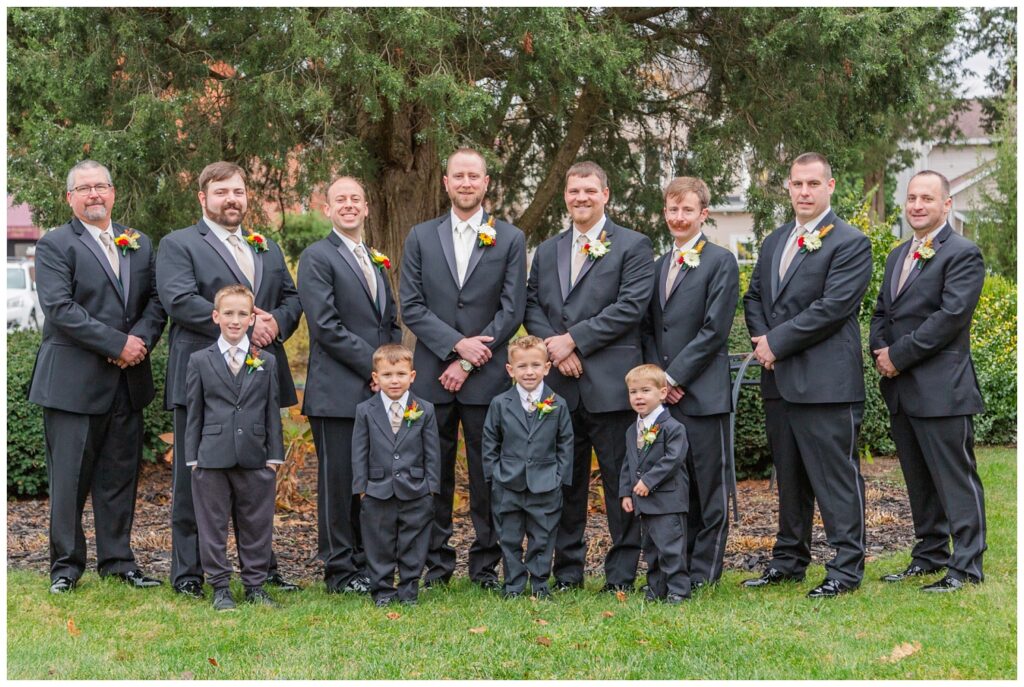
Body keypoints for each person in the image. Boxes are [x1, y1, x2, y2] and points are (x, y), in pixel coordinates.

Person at [156, 161, 303, 598]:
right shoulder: (179, 244)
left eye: (238, 191)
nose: (231, 199)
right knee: (195, 478)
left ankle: (263, 569)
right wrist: (239, 326)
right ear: (203, 198)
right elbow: (179, 299)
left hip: (258, 380)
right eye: (221, 192)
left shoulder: (266, 247)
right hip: (204, 380)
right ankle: (189, 574)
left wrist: (275, 323)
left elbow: (292, 299)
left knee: (257, 479)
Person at [29, 160, 166, 594]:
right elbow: (60, 308)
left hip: (128, 382)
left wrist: (138, 342)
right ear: (69, 198)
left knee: (119, 478)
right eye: (84, 188)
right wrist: (116, 344)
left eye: (101, 187)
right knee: (70, 481)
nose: (94, 195)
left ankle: (119, 562)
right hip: (73, 384)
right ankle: (66, 568)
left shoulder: (139, 244)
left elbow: (157, 302)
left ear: (113, 192)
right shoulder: (55, 245)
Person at [742, 152, 873, 598]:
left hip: (825, 385)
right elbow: (755, 295)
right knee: (790, 476)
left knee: (836, 479)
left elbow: (833, 309)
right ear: (788, 187)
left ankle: (846, 567)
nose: (804, 192)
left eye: (813, 184)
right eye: (797, 184)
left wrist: (775, 343)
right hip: (778, 381)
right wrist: (763, 342)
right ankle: (789, 560)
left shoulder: (850, 242)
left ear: (830, 187)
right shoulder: (775, 238)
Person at [524, 160, 655, 593]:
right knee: (566, 484)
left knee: (621, 482)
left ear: (605, 194)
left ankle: (621, 574)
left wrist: (574, 340)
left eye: (589, 190)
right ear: (566, 196)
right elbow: (531, 307)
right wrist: (556, 350)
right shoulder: (547, 250)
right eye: (573, 190)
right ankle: (567, 573)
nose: (581, 197)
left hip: (612, 387)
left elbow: (630, 307)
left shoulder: (633, 246)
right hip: (561, 388)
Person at [400, 148, 527, 590]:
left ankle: (486, 566)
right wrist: (455, 346)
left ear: (486, 183)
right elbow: (411, 306)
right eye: (459, 176)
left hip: (488, 379)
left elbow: (512, 310)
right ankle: (436, 565)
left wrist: (471, 360)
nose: (467, 183)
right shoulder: (420, 236)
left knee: (488, 475)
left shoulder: (509, 238)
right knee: (431, 475)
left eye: (474, 176)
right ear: (446, 182)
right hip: (433, 376)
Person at [869, 170, 987, 593]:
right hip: (901, 389)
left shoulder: (963, 253)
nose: (917, 205)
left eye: (927, 198)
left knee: (954, 477)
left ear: (946, 204)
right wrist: (879, 351)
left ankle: (967, 564)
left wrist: (897, 356)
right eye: (912, 197)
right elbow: (884, 311)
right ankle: (929, 554)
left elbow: (949, 319)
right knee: (918, 479)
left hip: (942, 388)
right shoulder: (898, 254)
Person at [297, 176, 402, 595]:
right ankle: (339, 570)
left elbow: (388, 320)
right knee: (339, 486)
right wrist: (376, 367)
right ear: (327, 209)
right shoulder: (318, 257)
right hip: (337, 393)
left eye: (356, 198)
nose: (348, 205)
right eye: (340, 199)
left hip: (375, 390)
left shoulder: (374, 258)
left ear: (366, 207)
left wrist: (392, 369)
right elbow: (325, 326)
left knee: (368, 482)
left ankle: (365, 563)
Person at [642, 176, 739, 590]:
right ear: (665, 213)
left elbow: (714, 330)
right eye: (672, 210)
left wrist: (674, 377)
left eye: (687, 210)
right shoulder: (656, 266)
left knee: (707, 486)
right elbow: (648, 327)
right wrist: (657, 382)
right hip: (666, 399)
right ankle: (674, 565)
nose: (679, 218)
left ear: (704, 214)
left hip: (702, 395)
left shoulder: (720, 261)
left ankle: (705, 571)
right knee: (673, 485)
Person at [184, 285, 283, 611]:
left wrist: (273, 456)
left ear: (253, 318)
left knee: (257, 523)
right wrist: (193, 459)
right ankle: (221, 587)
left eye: (243, 314)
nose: (235, 320)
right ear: (216, 317)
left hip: (255, 456)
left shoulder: (265, 362)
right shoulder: (199, 360)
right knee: (212, 526)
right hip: (211, 457)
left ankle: (255, 584)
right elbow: (194, 412)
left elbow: (272, 411)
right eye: (229, 313)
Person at [482, 335, 574, 599]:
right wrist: (495, 475)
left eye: (535, 365)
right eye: (522, 366)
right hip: (508, 483)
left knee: (543, 537)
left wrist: (559, 477)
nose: (529, 371)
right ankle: (513, 584)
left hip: (546, 483)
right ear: (510, 370)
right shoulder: (500, 403)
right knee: (509, 537)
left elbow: (565, 442)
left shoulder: (558, 403)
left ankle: (540, 583)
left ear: (547, 367)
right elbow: (490, 441)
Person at [351, 344, 441, 606]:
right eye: (388, 375)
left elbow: (433, 451)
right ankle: (382, 591)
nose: (394, 380)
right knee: (379, 542)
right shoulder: (365, 410)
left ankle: (409, 590)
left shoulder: (425, 409)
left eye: (401, 374)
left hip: (416, 489)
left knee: (414, 541)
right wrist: (362, 487)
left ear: (412, 376)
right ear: (376, 378)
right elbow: (359, 450)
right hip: (377, 489)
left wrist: (431, 486)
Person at [619, 365, 690, 603]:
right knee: (651, 549)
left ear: (662, 393)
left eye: (645, 391)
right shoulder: (631, 430)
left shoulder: (673, 427)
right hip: (644, 501)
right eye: (633, 392)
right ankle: (656, 588)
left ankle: (678, 591)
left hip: (668, 499)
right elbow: (628, 463)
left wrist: (648, 481)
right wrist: (627, 493)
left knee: (670, 547)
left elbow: (673, 459)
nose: (638, 396)